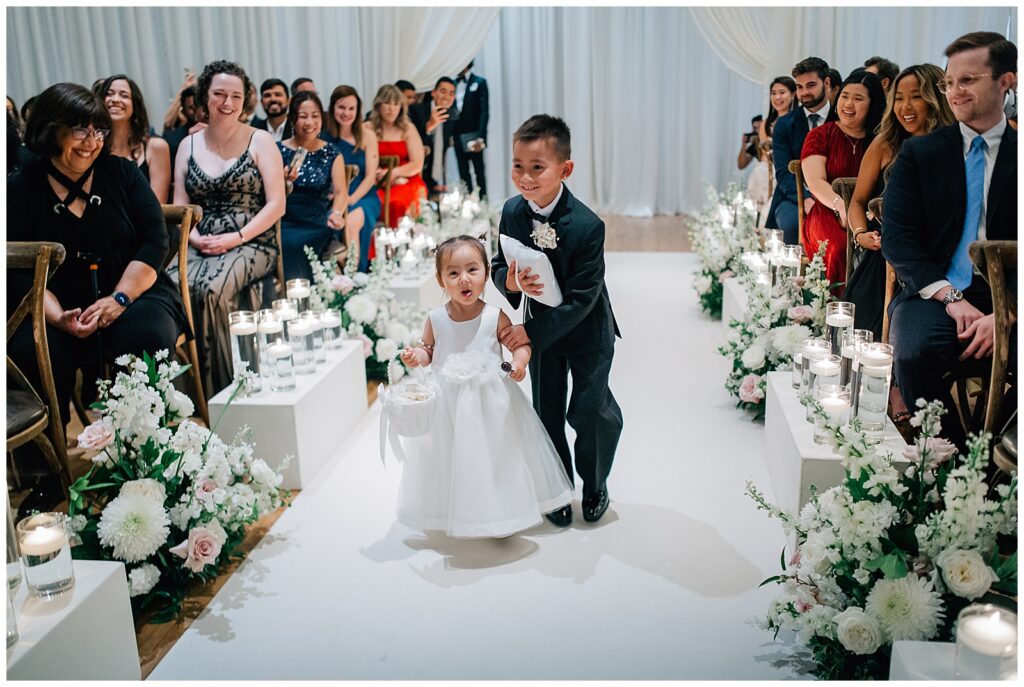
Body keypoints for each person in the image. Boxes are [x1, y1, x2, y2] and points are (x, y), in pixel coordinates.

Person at [7, 82, 188, 513]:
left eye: (98, 131)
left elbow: (154, 241)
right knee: (27, 352)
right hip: (57, 305)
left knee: (144, 335)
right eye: (80, 131)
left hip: (134, 293)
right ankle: (47, 475)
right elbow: (17, 262)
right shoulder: (20, 186)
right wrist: (55, 317)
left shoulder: (121, 173)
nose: (92, 142)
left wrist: (119, 300)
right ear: (51, 131)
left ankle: (148, 454)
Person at [882, 32, 1017, 447]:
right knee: (913, 352)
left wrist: (1010, 313)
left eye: (968, 80)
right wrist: (950, 297)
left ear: (1006, 82)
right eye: (948, 82)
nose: (954, 93)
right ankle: (958, 461)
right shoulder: (921, 154)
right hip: (935, 291)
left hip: (1011, 294)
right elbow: (898, 238)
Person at [491, 115, 623, 526]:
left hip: (586, 330)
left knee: (591, 411)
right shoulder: (512, 212)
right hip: (543, 331)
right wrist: (508, 280)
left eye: (537, 167)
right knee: (546, 411)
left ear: (565, 169)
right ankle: (556, 487)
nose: (525, 177)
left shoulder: (587, 225)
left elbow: (584, 298)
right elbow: (499, 263)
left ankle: (595, 483)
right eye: (517, 165)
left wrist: (526, 331)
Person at [395, 236, 573, 538]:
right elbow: (429, 351)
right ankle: (453, 510)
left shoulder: (494, 316)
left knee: (497, 456)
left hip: (492, 403)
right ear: (440, 280)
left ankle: (500, 511)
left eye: (472, 270)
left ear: (486, 274)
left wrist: (519, 363)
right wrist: (417, 356)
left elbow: (520, 344)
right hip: (448, 406)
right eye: (453, 273)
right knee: (450, 458)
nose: (464, 279)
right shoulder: (436, 319)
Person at [167, 60, 286, 396]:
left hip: (252, 240)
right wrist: (195, 238)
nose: (227, 103)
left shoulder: (261, 141)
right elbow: (180, 205)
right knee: (167, 285)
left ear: (245, 99)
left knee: (210, 289)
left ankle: (225, 391)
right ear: (205, 96)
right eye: (219, 94)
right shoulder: (187, 146)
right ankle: (180, 395)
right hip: (199, 238)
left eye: (235, 95)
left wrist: (236, 237)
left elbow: (277, 204)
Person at [846, 64, 955, 338]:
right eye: (898, 98)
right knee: (862, 334)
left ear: (935, 98)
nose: (905, 106)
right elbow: (858, 201)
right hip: (885, 253)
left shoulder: (954, 145)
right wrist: (861, 235)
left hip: (941, 258)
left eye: (916, 96)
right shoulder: (886, 144)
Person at [800, 69, 885, 288]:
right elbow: (815, 182)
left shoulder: (881, 141)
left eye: (858, 99)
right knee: (839, 247)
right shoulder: (821, 134)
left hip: (868, 213)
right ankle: (834, 311)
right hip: (827, 210)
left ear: (872, 104)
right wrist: (840, 205)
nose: (848, 104)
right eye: (845, 96)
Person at [278, 91, 348, 281]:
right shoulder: (277, 149)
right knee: (287, 243)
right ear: (293, 119)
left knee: (304, 244)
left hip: (317, 220)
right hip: (284, 221)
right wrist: (283, 183)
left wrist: (336, 213)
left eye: (315, 116)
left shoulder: (331, 152)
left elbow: (341, 192)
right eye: (303, 116)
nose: (309, 122)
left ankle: (314, 298)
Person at [767, 57, 832, 243]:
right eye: (800, 87)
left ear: (826, 83)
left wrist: (826, 199)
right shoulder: (784, 124)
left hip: (834, 195)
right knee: (792, 223)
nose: (804, 93)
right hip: (794, 195)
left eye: (810, 85)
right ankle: (794, 271)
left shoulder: (840, 118)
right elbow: (783, 172)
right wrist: (806, 198)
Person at [323, 85, 381, 272]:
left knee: (353, 221)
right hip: (336, 198)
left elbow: (371, 176)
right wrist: (337, 199)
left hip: (364, 197)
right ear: (333, 108)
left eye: (351, 108)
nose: (346, 113)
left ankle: (356, 275)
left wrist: (351, 199)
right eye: (341, 107)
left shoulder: (367, 136)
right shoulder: (324, 138)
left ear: (357, 111)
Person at [98, 74, 172, 203]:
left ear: (135, 105)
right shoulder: (93, 147)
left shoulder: (155, 147)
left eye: (124, 95)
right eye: (109, 94)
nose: (115, 99)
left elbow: (157, 206)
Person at [371, 84, 426, 227]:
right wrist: (376, 174)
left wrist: (393, 173)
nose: (391, 108)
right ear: (378, 105)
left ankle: (399, 245)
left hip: (405, 178)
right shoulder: (367, 128)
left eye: (396, 104)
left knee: (397, 204)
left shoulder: (408, 128)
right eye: (387, 103)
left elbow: (417, 163)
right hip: (376, 180)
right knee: (372, 203)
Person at [408, 77, 459, 196]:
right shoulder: (416, 110)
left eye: (451, 93)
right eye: (443, 91)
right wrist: (429, 127)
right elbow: (409, 143)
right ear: (433, 92)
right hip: (417, 172)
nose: (447, 97)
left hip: (438, 177)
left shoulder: (452, 116)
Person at [453, 61, 489, 198]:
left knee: (479, 171)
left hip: (474, 135)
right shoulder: (453, 84)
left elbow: (484, 112)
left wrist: (481, 137)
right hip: (457, 135)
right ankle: (467, 203)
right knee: (463, 172)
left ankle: (483, 202)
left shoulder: (480, 82)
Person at [162, 85, 198, 175]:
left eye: (200, 105)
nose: (198, 110)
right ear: (183, 111)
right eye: (192, 108)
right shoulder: (172, 139)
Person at [759, 76, 797, 142]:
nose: (777, 97)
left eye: (782, 92)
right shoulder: (766, 123)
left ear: (793, 95)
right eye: (773, 93)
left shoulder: (800, 120)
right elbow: (765, 151)